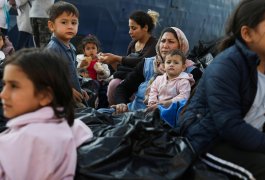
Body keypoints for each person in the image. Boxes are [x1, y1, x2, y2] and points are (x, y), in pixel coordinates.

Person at [180, 0, 265, 179]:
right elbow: (229, 124)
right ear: (247, 33)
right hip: (209, 139)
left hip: (249, 135)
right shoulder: (226, 67)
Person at [0, 48, 93, 179]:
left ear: (45, 95)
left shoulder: (23, 141)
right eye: (4, 85)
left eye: (14, 86)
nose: (3, 94)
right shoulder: (76, 127)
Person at [112, 27, 202, 114]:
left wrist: (164, 105)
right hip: (132, 112)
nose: (165, 46)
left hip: (161, 121)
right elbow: (124, 88)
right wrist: (121, 104)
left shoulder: (191, 72)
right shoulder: (147, 64)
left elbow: (194, 103)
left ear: (181, 46)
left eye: (171, 42)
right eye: (163, 41)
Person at [100, 10, 159, 105]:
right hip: (128, 78)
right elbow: (124, 67)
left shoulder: (154, 44)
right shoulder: (133, 44)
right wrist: (111, 61)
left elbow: (141, 63)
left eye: (134, 28)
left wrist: (116, 58)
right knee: (113, 84)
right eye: (129, 28)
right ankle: (116, 109)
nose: (130, 32)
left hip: (142, 81)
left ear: (145, 28)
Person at [46, 1, 89, 107]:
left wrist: (79, 89)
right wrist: (68, 90)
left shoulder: (71, 48)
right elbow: (48, 78)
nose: (70, 26)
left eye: (74, 23)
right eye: (64, 22)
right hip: (61, 101)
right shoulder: (53, 49)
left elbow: (72, 74)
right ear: (52, 26)